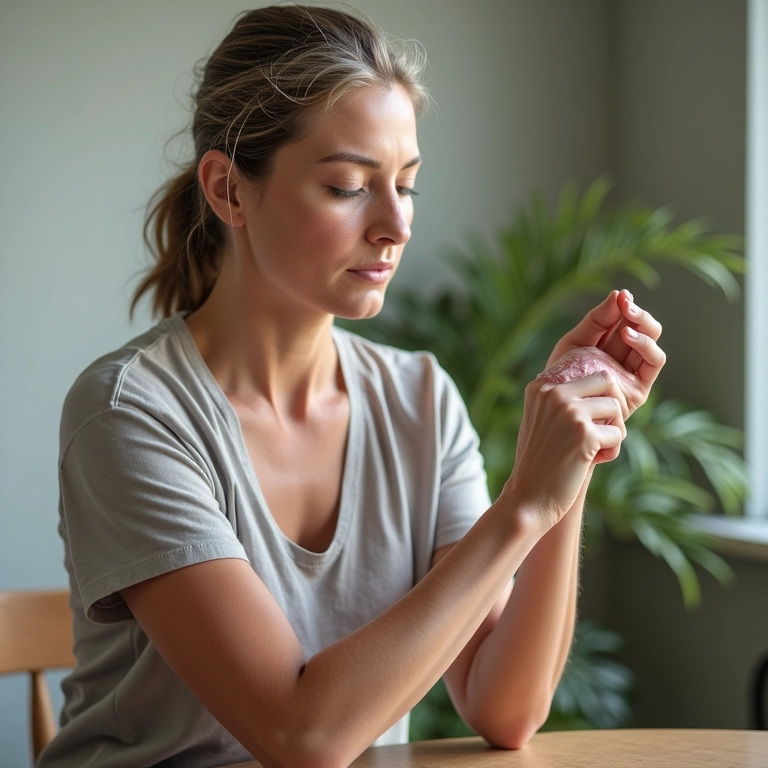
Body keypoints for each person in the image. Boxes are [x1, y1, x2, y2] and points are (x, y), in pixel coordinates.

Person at [39, 5, 665, 768]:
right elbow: (300, 735)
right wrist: (522, 501)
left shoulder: (421, 399)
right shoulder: (131, 414)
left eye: (406, 184)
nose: (395, 224)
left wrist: (568, 459)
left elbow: (505, 707)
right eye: (347, 186)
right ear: (229, 191)